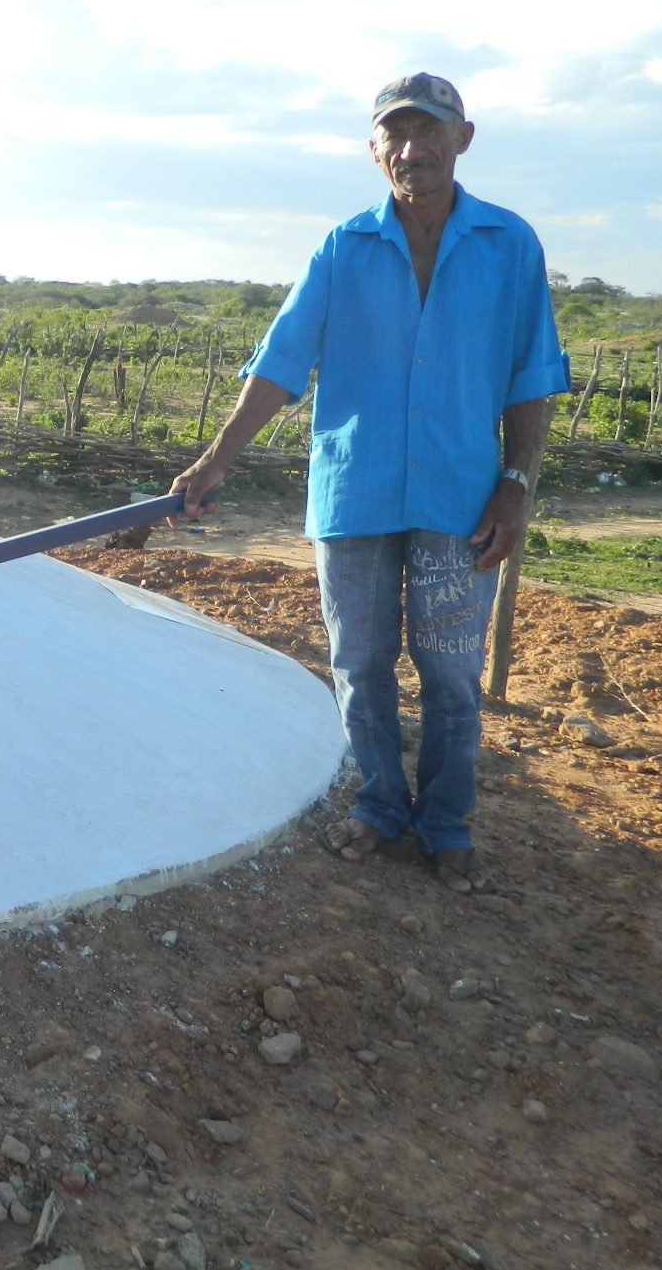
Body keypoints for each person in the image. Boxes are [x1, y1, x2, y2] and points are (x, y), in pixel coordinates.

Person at [168, 73, 568, 895]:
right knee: (360, 663)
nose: (411, 151)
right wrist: (216, 460)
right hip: (355, 493)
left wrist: (517, 484)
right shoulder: (345, 245)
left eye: (429, 134)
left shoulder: (509, 243)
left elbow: (532, 375)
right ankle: (382, 806)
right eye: (395, 135)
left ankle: (446, 822)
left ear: (464, 138)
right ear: (374, 146)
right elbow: (281, 363)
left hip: (461, 496)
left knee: (452, 671)